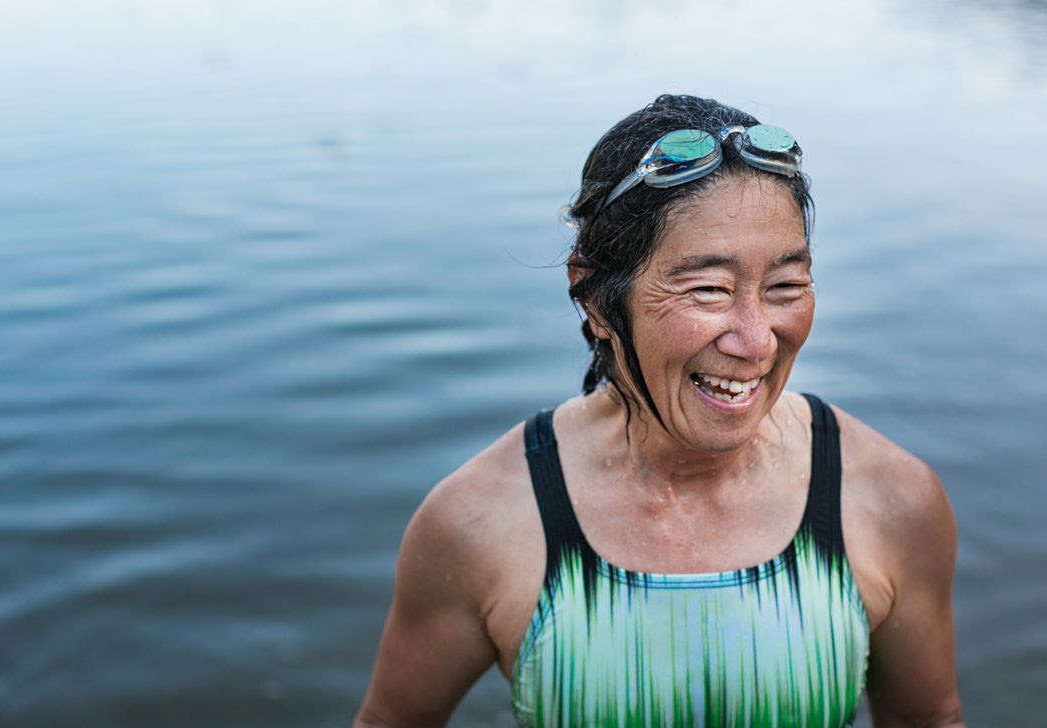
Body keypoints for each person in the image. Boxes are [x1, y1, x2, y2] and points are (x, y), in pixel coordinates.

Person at [355, 94, 964, 727]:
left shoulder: (888, 501)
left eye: (785, 287)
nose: (756, 340)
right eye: (708, 290)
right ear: (592, 294)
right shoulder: (483, 522)